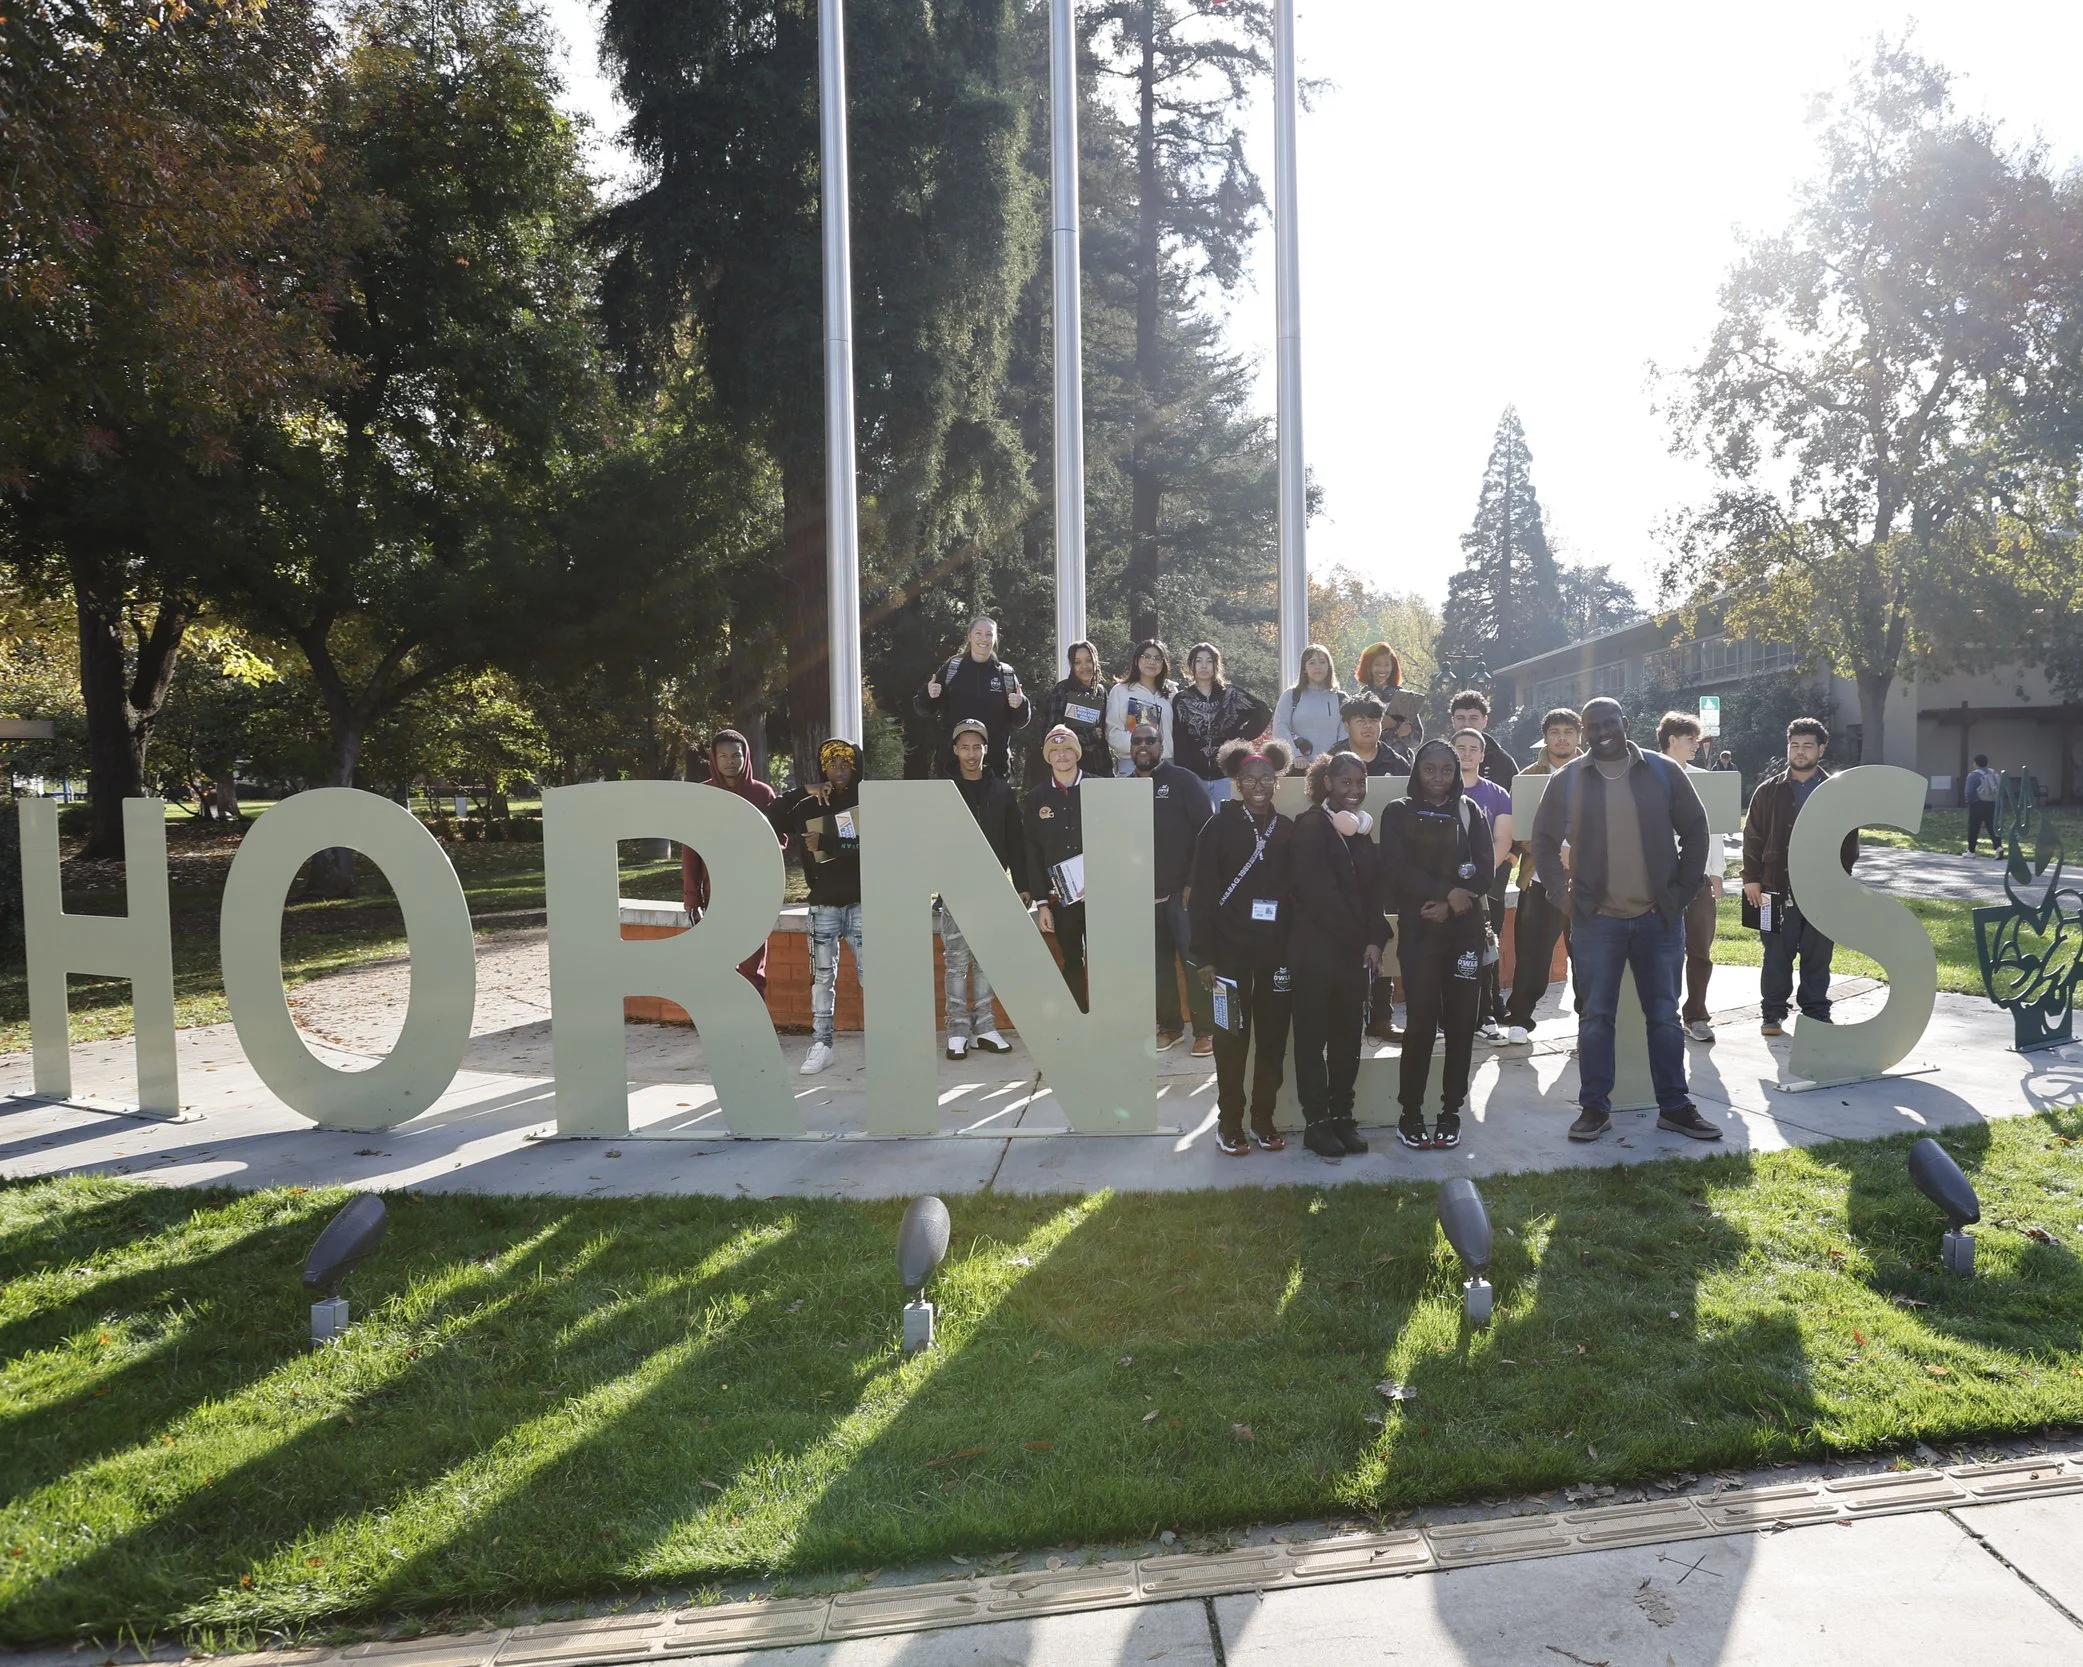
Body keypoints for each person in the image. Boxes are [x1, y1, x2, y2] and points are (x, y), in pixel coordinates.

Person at [1531, 697, 1718, 1145]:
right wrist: (1562, 896)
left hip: (1659, 919)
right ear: (1584, 731)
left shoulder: (1661, 770)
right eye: (1592, 726)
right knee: (1595, 1017)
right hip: (1597, 921)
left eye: (1609, 723)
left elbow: (1696, 830)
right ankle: (1594, 1108)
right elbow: (1542, 837)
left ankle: (1675, 1106)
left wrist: (1681, 891)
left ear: (1625, 723)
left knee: (1664, 1017)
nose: (1602, 732)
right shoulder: (1569, 778)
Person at [1381, 739, 1494, 1149]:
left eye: (1446, 770)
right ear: (1417, 771)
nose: (1438, 778)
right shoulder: (1397, 812)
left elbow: (1486, 870)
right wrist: (1448, 894)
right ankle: (1410, 1113)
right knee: (1421, 1024)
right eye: (1430, 769)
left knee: (1463, 1023)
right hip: (1420, 931)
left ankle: (1451, 1111)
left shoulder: (1471, 811)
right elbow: (1395, 870)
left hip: (1463, 932)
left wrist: (1453, 903)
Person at [1190, 739, 1298, 1155]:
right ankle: (1229, 1121)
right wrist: (1203, 955)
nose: (1258, 785)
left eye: (1266, 778)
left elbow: (1296, 893)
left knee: (1272, 1038)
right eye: (1249, 779)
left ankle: (1263, 1118)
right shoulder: (1217, 827)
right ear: (1236, 782)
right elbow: (1200, 894)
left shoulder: (1286, 828)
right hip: (1227, 954)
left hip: (1275, 956)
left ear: (1276, 781)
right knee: (1230, 1038)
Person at [1288, 751, 1389, 1159]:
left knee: (1348, 1039)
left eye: (1360, 783)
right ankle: (1317, 1123)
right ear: (1327, 783)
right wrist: (1359, 936)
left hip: (1352, 955)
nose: (1355, 791)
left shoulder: (1361, 832)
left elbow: (1373, 893)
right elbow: (1316, 895)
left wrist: (1375, 939)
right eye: (1346, 782)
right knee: (1312, 1041)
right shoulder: (1310, 826)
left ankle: (1343, 1117)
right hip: (1315, 953)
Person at [1742, 717, 1859, 1037]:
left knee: (1818, 952)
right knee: (1775, 953)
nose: (1800, 751)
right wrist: (1750, 879)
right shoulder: (1768, 791)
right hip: (1773, 887)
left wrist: (1839, 880)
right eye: (1794, 745)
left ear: (1821, 749)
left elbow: (1850, 842)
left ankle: (1816, 1010)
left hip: (1823, 889)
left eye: (1808, 745)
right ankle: (1772, 1013)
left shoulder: (1836, 792)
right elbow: (1752, 836)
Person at [1130, 721, 1218, 1055]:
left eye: (1150, 740)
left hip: (1183, 894)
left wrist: (1194, 882)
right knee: (1158, 966)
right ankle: (1169, 1027)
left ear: (1161, 744)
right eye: (1137, 741)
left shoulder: (1183, 780)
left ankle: (1205, 1030)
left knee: (1194, 962)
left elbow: (1207, 833)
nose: (1143, 746)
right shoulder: (1123, 787)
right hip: (1143, 895)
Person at [942, 719, 1021, 1059]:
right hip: (956, 886)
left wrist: (1023, 886)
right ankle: (957, 1031)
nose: (971, 754)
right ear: (955, 750)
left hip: (992, 886)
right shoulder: (943, 790)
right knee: (956, 963)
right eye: (965, 747)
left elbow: (1015, 840)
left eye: (978, 747)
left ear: (986, 750)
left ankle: (986, 1027)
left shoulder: (1002, 790)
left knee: (987, 961)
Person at [683, 729, 785, 995]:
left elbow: (779, 842)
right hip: (715, 895)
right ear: (714, 759)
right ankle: (722, 1027)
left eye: (736, 755)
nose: (730, 761)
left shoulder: (763, 794)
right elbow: (690, 850)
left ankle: (753, 1030)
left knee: (754, 966)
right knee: (718, 964)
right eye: (724, 756)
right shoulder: (701, 796)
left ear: (745, 756)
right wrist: (692, 898)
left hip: (754, 897)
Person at [1503, 707, 1582, 1045]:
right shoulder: (1529, 776)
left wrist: (1575, 849)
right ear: (1546, 737)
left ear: (1579, 736)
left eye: (1568, 731)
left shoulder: (1597, 772)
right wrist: (1555, 849)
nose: (1561, 737)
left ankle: (1590, 1023)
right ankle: (1520, 1018)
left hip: (1587, 881)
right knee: (1532, 953)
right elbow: (1519, 833)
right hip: (1539, 879)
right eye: (1555, 731)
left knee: (1587, 955)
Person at [790, 739, 865, 1074]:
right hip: (823, 904)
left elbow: (873, 844)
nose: (838, 769)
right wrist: (803, 790)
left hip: (863, 901)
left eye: (845, 763)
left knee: (873, 975)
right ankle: (821, 1044)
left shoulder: (867, 801)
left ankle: (885, 1043)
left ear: (855, 766)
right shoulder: (809, 804)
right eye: (831, 763)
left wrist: (829, 842)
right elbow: (773, 815)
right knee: (822, 978)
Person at [1657, 712, 1723, 1043]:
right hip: (1658, 879)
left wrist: (1716, 873)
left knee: (1700, 949)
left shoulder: (1704, 778)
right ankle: (1660, 1015)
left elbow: (1714, 830)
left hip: (1697, 880)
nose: (1696, 745)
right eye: (1690, 739)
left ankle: (1696, 1014)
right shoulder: (1648, 774)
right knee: (1660, 950)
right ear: (1672, 739)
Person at [1451, 727, 1514, 1043]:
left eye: (1472, 748)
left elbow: (1502, 840)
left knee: (1487, 949)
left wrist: (1478, 881)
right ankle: (1446, 1015)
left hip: (1484, 886)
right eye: (1460, 747)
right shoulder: (1436, 789)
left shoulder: (1497, 794)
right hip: (1445, 888)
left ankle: (1487, 1014)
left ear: (1482, 755)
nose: (1466, 753)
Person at [1023, 724, 1091, 1008]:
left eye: (1067, 749)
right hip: (1061, 899)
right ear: (1047, 757)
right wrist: (1042, 904)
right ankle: (1079, 1014)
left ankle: (1110, 1018)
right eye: (1055, 750)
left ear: (1077, 753)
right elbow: (1032, 852)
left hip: (1100, 895)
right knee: (1072, 959)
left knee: (1107, 959)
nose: (1061, 755)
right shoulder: (1035, 798)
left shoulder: (1099, 787)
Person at [915, 615, 1030, 778]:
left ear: (995, 638)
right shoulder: (952, 668)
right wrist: (928, 694)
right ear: (969, 636)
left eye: (989, 634)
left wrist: (1021, 704)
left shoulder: (1006, 674)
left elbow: (1020, 721)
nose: (984, 638)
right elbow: (924, 710)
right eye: (978, 633)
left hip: (994, 768)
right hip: (952, 766)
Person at [1171, 642, 1274, 787]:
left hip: (1226, 775)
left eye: (1209, 661)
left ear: (1216, 665)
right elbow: (1179, 739)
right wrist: (1183, 774)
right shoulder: (1182, 699)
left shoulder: (1231, 694)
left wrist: (1240, 738)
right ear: (1191, 665)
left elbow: (1263, 712)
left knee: (1226, 810)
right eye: (1198, 661)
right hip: (1194, 777)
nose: (1204, 666)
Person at [1035, 638, 1113, 782]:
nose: (1084, 666)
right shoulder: (1062, 690)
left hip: (1100, 769)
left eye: (1088, 660)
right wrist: (1089, 735)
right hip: (1071, 772)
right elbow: (1051, 735)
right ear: (1072, 665)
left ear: (1096, 661)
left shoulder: (1101, 692)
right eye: (1077, 662)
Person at [1104, 640, 1177, 776]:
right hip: (1131, 763)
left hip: (1166, 765)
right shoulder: (1121, 691)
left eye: (1157, 658)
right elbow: (1112, 732)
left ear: (1163, 663)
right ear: (1137, 660)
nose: (1152, 662)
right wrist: (1143, 746)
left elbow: (1176, 732)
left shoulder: (1171, 692)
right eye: (1146, 656)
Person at [1270, 644, 1345, 766]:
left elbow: (1345, 733)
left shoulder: (1341, 698)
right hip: (1297, 767)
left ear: (1329, 666)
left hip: (1332, 767)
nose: (1318, 667)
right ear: (1304, 668)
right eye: (1312, 663)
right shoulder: (1291, 696)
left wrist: (1335, 759)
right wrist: (1296, 755)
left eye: (1322, 662)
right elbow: (1280, 728)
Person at [1354, 642, 1425, 754]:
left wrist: (1395, 725)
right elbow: (1359, 737)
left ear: (1393, 667)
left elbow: (1417, 739)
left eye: (1387, 665)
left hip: (1401, 763)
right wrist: (1396, 733)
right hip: (1371, 762)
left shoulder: (1404, 697)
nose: (1382, 669)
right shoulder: (1362, 698)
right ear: (1369, 667)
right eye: (1377, 664)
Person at [1448, 690, 1517, 789]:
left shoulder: (1503, 762)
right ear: (1453, 721)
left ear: (1485, 721)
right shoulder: (1440, 758)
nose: (1467, 724)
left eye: (1473, 718)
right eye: (1460, 718)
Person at [1341, 691, 1414, 776]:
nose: (1368, 725)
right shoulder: (1333, 762)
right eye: (1360, 721)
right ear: (1347, 726)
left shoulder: (1398, 765)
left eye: (1374, 720)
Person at [1965, 754, 2001, 855]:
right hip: (1992, 804)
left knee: (1974, 828)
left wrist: (1970, 801)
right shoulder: (1993, 773)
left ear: (1975, 763)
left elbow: (1969, 792)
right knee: (1993, 827)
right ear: (1987, 763)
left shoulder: (1973, 776)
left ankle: (1971, 851)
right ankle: (1998, 847)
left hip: (1977, 804)